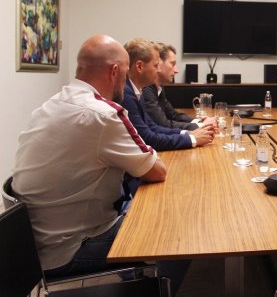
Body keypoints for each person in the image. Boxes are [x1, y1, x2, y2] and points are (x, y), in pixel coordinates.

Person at [12, 35, 167, 279]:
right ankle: (152, 286)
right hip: (70, 249)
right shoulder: (103, 114)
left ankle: (135, 277)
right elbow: (156, 171)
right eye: (125, 71)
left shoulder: (50, 105)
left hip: (34, 246)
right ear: (114, 71)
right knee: (173, 225)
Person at [122, 38, 215, 151]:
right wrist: (192, 138)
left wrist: (189, 133)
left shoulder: (136, 90)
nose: (158, 70)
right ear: (139, 66)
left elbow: (153, 127)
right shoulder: (126, 94)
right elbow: (146, 138)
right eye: (156, 65)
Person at [142, 43, 216, 130]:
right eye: (172, 64)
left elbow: (173, 115)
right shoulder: (146, 89)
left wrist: (199, 121)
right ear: (159, 63)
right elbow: (163, 124)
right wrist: (201, 126)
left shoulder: (159, 87)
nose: (176, 71)